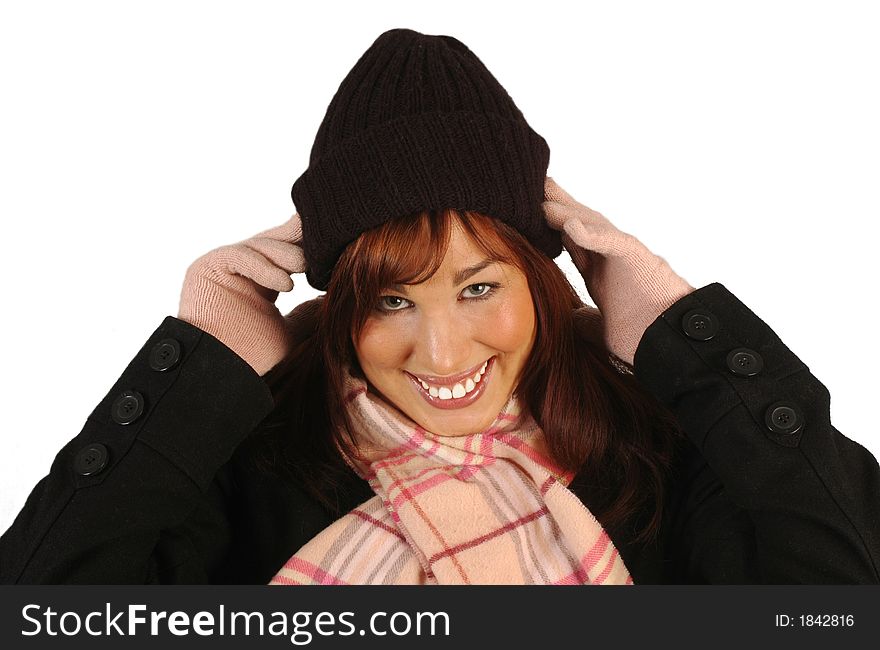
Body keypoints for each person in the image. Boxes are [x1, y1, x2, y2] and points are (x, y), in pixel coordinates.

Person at [2, 28, 879, 585]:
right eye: (390, 298)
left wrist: (685, 338)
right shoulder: (255, 460)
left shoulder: (652, 454)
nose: (444, 351)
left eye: (479, 287)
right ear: (343, 309)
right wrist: (200, 361)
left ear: (543, 281)